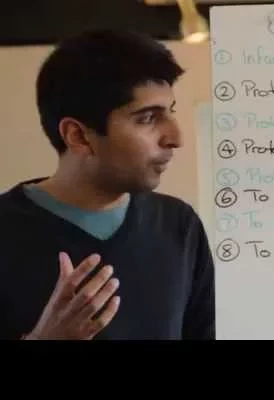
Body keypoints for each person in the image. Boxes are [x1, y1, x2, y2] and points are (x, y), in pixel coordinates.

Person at [0, 29, 215, 340]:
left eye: (170, 111)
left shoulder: (179, 225)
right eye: (147, 118)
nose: (175, 138)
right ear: (78, 136)